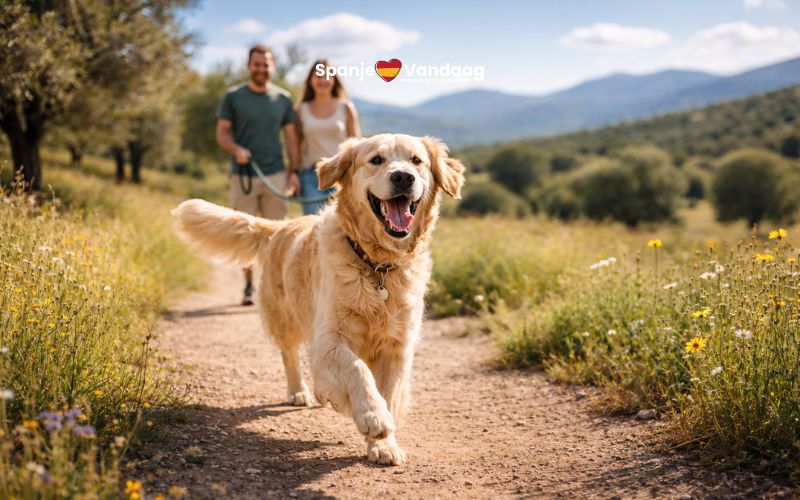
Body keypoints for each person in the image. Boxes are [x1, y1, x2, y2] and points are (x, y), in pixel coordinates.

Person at [216, 44, 301, 305]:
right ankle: (249, 286)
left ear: (272, 67)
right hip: (243, 174)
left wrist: (293, 171)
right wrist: (235, 148)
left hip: (275, 173)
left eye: (266, 65)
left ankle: (276, 287)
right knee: (245, 234)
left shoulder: (283, 99)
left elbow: (290, 137)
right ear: (249, 66)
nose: (261, 69)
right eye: (257, 64)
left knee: (278, 235)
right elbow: (222, 133)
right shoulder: (233, 97)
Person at [295, 59, 361, 215]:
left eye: (327, 75)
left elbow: (357, 144)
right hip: (311, 177)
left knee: (342, 225)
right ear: (311, 80)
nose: (323, 80)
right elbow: (296, 145)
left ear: (334, 79)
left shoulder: (346, 108)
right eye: (318, 76)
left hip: (341, 174)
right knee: (313, 224)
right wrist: (293, 174)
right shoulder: (300, 110)